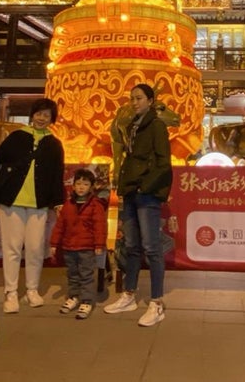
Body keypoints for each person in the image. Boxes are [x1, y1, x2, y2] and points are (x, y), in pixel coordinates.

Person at [0, 97, 65, 314]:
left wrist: (57, 201)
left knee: (36, 247)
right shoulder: (16, 137)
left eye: (46, 115)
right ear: (32, 115)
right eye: (39, 114)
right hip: (13, 200)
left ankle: (32, 289)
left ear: (52, 119)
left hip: (39, 203)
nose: (41, 118)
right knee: (12, 247)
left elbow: (57, 174)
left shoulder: (54, 144)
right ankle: (10, 292)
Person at [104, 84, 172, 327]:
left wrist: (147, 187)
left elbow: (164, 162)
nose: (134, 102)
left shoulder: (157, 126)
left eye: (139, 98)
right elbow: (127, 158)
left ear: (151, 101)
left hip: (147, 193)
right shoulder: (131, 126)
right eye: (132, 98)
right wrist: (123, 186)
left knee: (151, 247)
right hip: (131, 191)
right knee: (131, 245)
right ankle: (129, 295)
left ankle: (156, 302)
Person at [50, 168, 106, 320]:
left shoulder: (96, 205)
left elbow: (100, 227)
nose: (81, 187)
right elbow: (60, 225)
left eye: (85, 184)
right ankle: (73, 296)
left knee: (86, 275)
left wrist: (99, 245)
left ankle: (87, 301)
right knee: (72, 274)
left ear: (91, 187)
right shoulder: (68, 205)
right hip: (69, 247)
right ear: (73, 186)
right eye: (78, 183)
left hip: (86, 248)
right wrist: (54, 243)